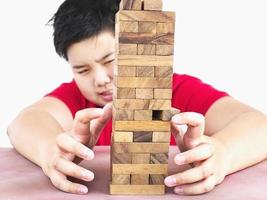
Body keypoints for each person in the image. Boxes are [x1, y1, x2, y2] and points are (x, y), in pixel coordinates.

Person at [7, 0, 267, 196]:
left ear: (136, 45)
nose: (99, 79)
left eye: (109, 61)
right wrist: (48, 149)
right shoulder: (74, 100)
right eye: (82, 70)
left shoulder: (178, 90)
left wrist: (223, 153)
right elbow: (23, 123)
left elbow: (258, 125)